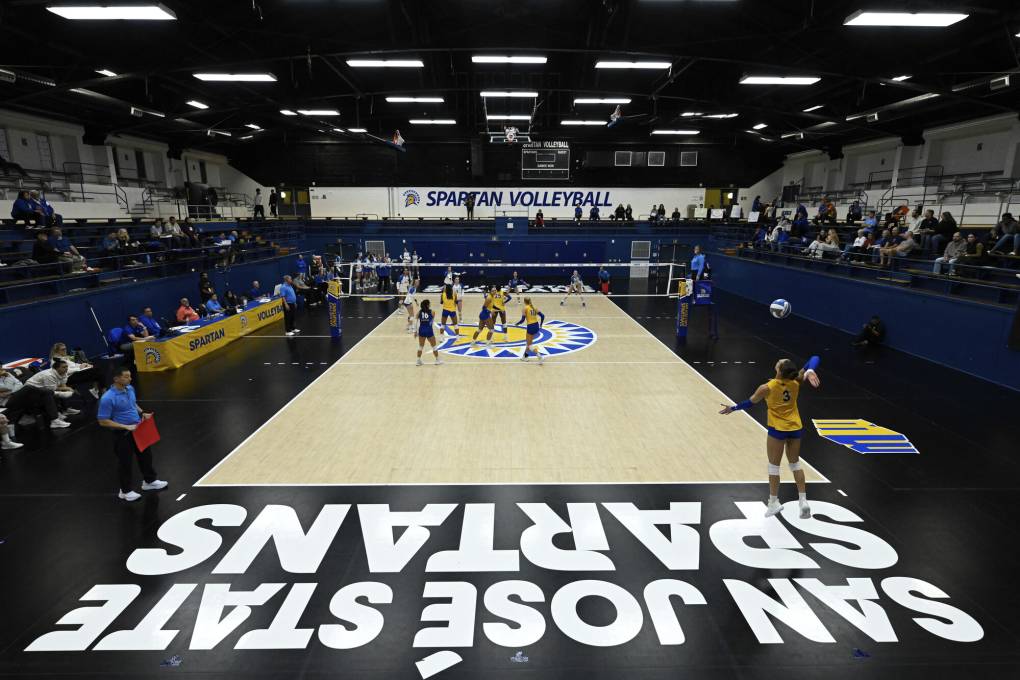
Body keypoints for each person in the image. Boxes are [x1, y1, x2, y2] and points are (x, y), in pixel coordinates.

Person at [719, 355, 821, 519]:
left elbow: (750, 402)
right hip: (795, 428)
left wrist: (733, 408)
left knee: (774, 466)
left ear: (779, 371)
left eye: (780, 363)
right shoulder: (796, 382)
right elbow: (814, 358)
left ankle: (773, 502)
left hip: (778, 429)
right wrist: (810, 370)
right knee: (795, 464)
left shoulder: (767, 387)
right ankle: (803, 501)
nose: (779, 361)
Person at [96, 367, 167, 502]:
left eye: (129, 376)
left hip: (138, 429)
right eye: (126, 377)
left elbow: (133, 404)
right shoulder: (107, 398)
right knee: (125, 463)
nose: (130, 378)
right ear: (116, 379)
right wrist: (125, 426)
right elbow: (103, 421)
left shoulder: (130, 389)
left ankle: (149, 481)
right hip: (122, 434)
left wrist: (142, 413)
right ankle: (125, 491)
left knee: (146, 456)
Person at [3, 360, 73, 430]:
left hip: (22, 394)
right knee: (30, 387)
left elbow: (19, 384)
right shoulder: (48, 375)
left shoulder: (8, 375)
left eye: (1, 368)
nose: (2, 370)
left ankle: (55, 420)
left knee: (47, 393)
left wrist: (10, 386)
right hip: (8, 400)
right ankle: (57, 402)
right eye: (0, 369)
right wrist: (11, 389)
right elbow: (6, 390)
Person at [517, 297, 546, 363]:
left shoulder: (525, 308)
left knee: (529, 345)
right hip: (536, 325)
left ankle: (540, 356)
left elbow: (522, 320)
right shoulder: (534, 307)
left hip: (530, 326)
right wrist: (541, 324)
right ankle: (525, 357)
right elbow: (542, 316)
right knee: (529, 343)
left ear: (524, 302)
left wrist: (517, 324)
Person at [415, 300, 442, 366]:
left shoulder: (419, 312)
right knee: (434, 346)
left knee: (420, 346)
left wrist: (415, 331)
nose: (430, 304)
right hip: (429, 330)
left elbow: (416, 322)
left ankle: (418, 360)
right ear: (427, 305)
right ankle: (437, 360)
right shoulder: (432, 312)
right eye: (429, 303)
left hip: (421, 330)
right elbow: (431, 321)